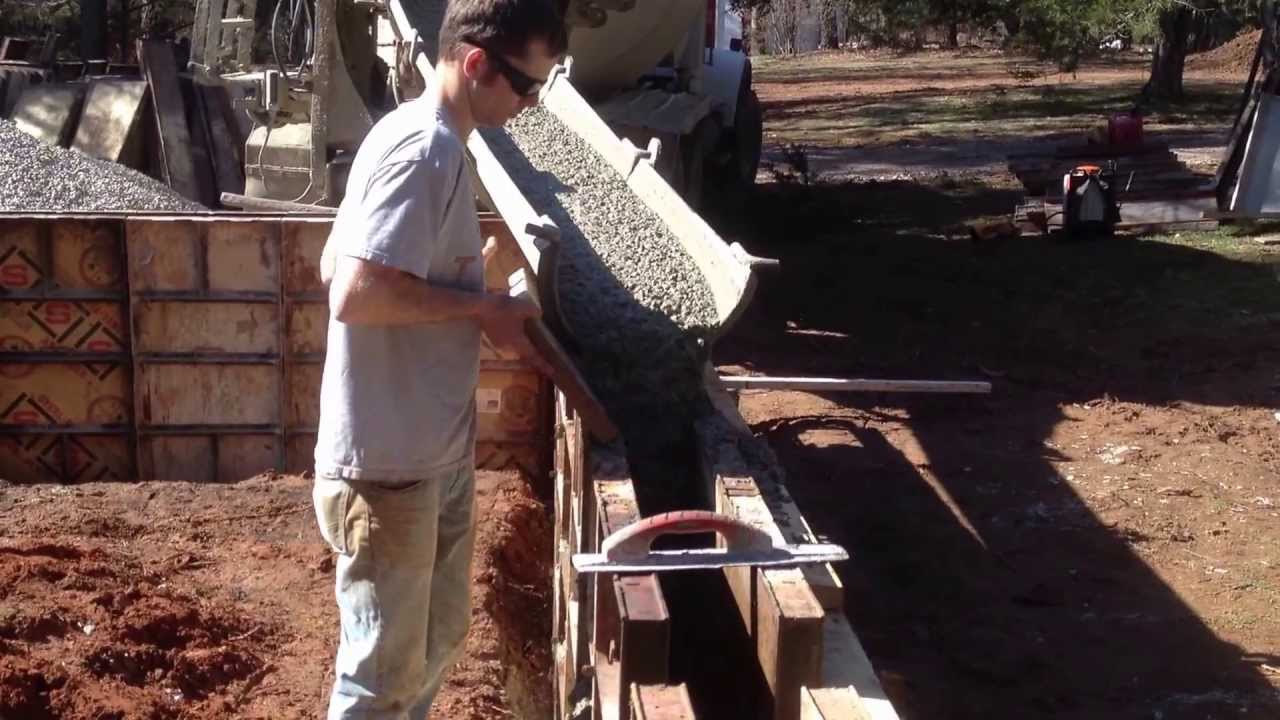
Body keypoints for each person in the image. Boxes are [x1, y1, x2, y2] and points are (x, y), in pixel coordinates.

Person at [311, 0, 566, 715]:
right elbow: (355, 293)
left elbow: (336, 261)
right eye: (525, 86)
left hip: (432, 458)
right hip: (388, 467)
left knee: (438, 639)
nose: (529, 103)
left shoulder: (409, 135)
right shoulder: (425, 149)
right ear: (476, 62)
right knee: (380, 678)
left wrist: (469, 277)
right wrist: (483, 308)